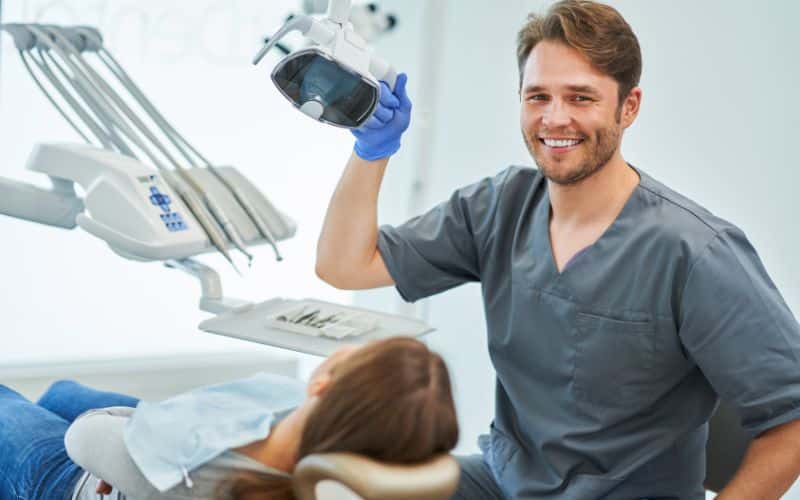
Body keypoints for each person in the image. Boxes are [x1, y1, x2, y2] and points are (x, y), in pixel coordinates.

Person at [314, 1, 800, 498]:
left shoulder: (694, 251)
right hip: (506, 483)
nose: (555, 117)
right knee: (343, 479)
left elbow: (794, 419)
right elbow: (344, 265)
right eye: (538, 96)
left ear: (628, 106)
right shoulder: (500, 207)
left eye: (581, 97)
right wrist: (372, 150)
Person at [0, 337, 458, 500]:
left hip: (80, 480)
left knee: (11, 402)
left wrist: (131, 446)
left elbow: (85, 438)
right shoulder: (340, 466)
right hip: (156, 456)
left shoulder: (201, 474)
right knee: (63, 392)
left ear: (325, 386)